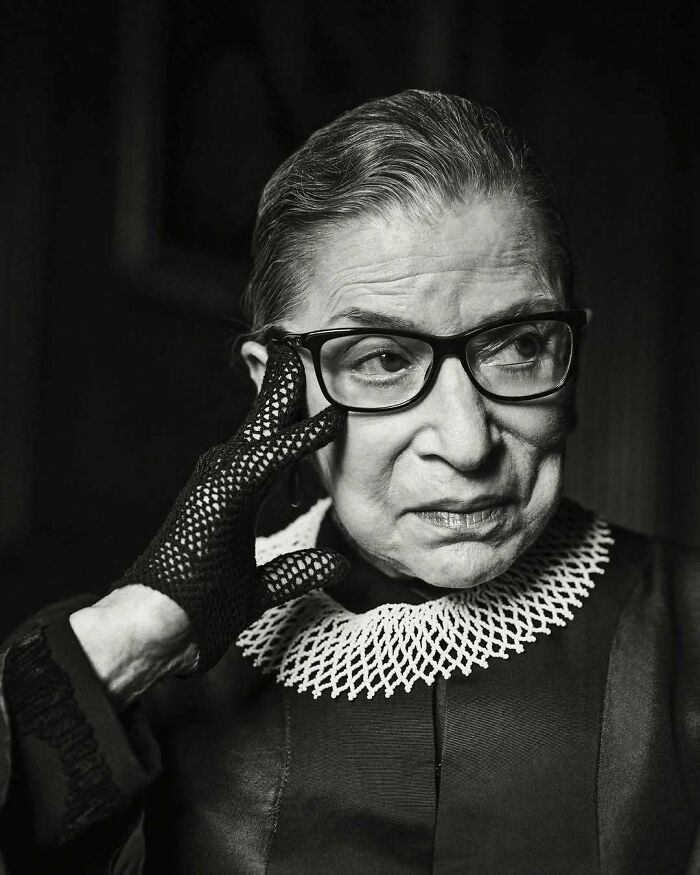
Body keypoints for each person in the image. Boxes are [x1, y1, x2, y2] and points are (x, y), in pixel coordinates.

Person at [1, 89, 699, 875]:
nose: (466, 443)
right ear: (278, 388)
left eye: (519, 346)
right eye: (382, 359)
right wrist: (134, 631)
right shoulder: (152, 692)